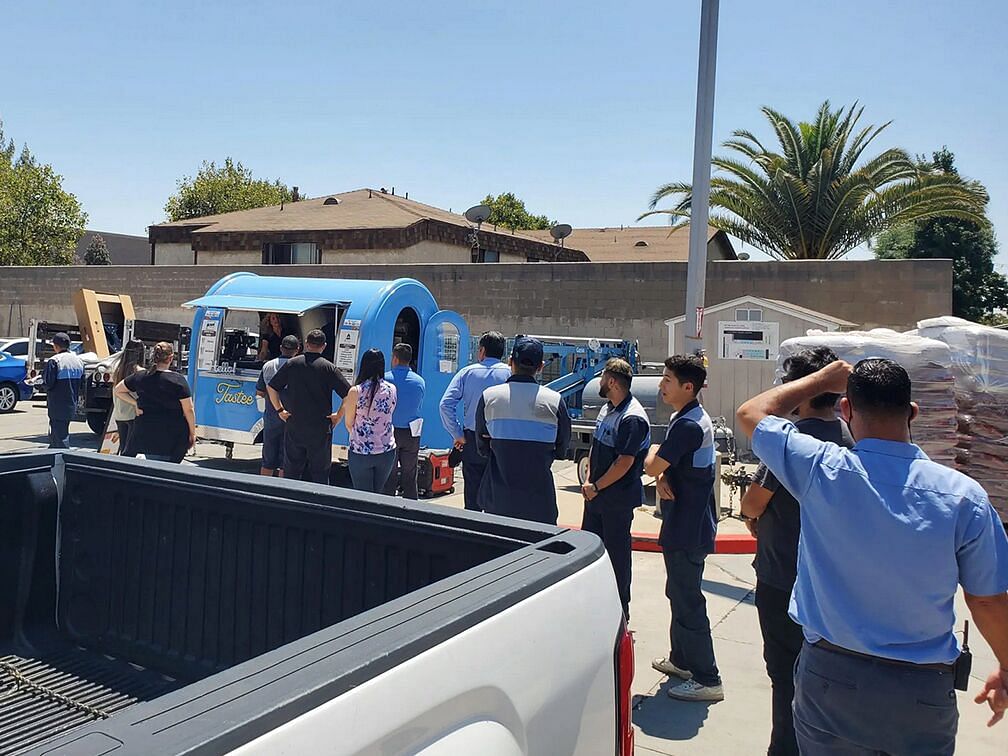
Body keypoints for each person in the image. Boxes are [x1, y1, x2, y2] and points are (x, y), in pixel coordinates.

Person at [737, 357, 1008, 753]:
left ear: (846, 410)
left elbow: (752, 412)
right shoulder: (964, 496)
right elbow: (987, 599)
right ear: (912, 412)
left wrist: (822, 380)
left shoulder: (820, 467)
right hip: (921, 690)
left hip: (832, 680)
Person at [739, 347, 853, 756]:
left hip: (782, 578)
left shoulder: (792, 442)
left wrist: (755, 516)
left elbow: (754, 502)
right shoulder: (850, 439)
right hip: (833, 587)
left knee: (785, 679)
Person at [644, 354, 723, 702]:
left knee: (688, 600)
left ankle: (708, 677)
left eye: (667, 380)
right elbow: (663, 467)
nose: (661, 385)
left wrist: (657, 467)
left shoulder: (690, 425)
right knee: (677, 593)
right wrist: (664, 472)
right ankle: (682, 661)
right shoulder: (687, 417)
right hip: (684, 523)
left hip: (689, 528)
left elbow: (650, 463)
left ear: (687, 387)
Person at [580, 358, 650, 620]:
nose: (599, 382)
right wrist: (590, 479)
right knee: (590, 552)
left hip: (616, 500)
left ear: (611, 381)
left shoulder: (632, 418)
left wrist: (596, 486)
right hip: (596, 496)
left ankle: (620, 610)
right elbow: (597, 448)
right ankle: (593, 606)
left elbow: (624, 462)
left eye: (602, 378)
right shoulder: (609, 408)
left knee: (616, 557)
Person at [474, 337, 571, 523]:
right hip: (540, 503)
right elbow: (561, 448)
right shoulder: (555, 401)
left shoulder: (489, 397)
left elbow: (482, 446)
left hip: (498, 501)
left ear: (510, 362)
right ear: (541, 366)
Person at [267, 329, 350, 484]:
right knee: (320, 473)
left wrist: (280, 410)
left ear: (306, 344)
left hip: (295, 424)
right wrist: (338, 415)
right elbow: (348, 393)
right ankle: (318, 504)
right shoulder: (329, 368)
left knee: (292, 472)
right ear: (324, 346)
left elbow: (272, 387)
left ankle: (290, 502)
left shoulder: (292, 364)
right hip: (320, 427)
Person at [439, 331, 510, 511]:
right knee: (501, 495)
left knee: (472, 495)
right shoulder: (510, 374)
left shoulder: (467, 373)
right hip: (504, 440)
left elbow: (445, 405)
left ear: (482, 351)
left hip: (473, 438)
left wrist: (457, 434)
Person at [114, 342, 195, 463]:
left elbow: (118, 390)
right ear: (171, 358)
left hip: (146, 431)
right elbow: (188, 409)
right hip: (172, 433)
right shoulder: (178, 380)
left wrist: (135, 402)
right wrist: (192, 433)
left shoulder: (141, 377)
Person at [344, 348, 397, 493]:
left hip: (361, 450)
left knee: (362, 496)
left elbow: (348, 422)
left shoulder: (355, 391)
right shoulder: (391, 389)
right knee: (378, 493)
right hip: (386, 449)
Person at [382, 343, 426, 499]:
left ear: (394, 358)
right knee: (410, 472)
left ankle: (387, 506)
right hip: (412, 431)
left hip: (390, 430)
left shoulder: (385, 379)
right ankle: (412, 507)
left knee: (389, 472)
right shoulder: (420, 381)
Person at [256, 334, 299, 477]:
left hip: (271, 417)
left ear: (281, 348)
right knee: (286, 460)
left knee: (268, 459)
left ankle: (264, 488)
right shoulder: (299, 366)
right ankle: (281, 490)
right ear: (297, 349)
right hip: (292, 418)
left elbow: (260, 392)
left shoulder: (268, 366)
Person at [42, 332, 85, 449]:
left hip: (57, 405)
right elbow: (82, 383)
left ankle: (60, 460)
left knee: (59, 436)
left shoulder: (55, 361)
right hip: (71, 404)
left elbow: (48, 383)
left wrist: (37, 383)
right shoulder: (79, 361)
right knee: (61, 431)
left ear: (56, 346)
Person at [110, 340, 145, 456]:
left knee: (124, 448)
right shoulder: (140, 372)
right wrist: (136, 403)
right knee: (131, 452)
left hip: (120, 414)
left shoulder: (118, 369)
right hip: (133, 414)